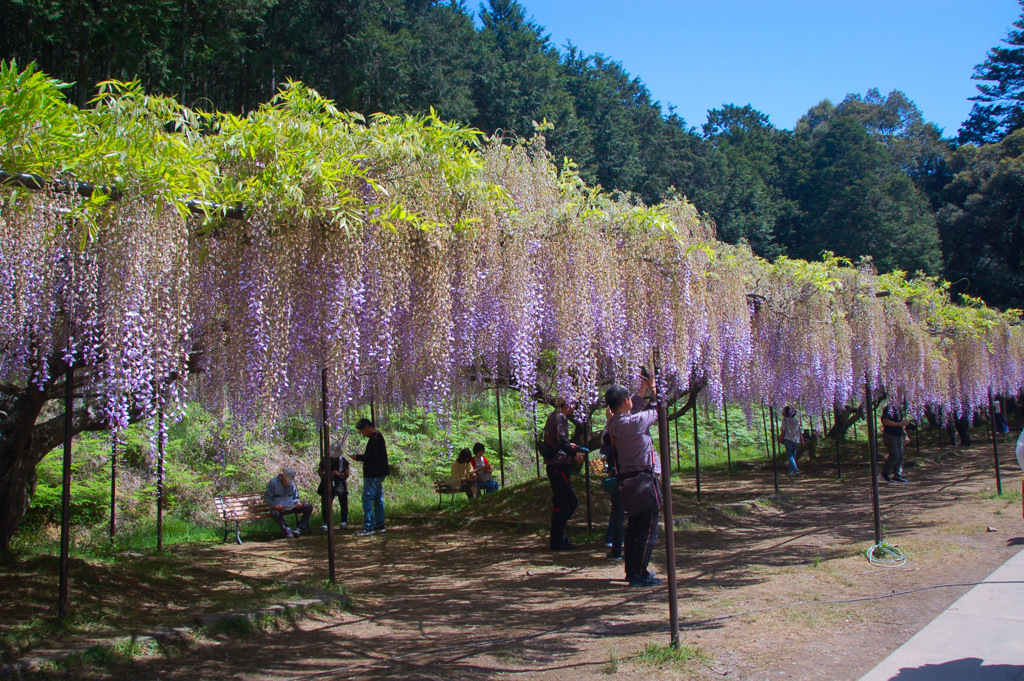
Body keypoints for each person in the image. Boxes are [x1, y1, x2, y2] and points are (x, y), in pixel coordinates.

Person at [605, 372, 662, 587]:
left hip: (627, 482)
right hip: (644, 481)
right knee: (648, 529)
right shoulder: (636, 422)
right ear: (626, 401)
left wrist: (642, 390)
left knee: (634, 529)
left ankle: (632, 572)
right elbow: (660, 410)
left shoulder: (613, 425)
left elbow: (632, 412)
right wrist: (654, 388)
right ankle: (640, 574)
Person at [543, 399, 585, 551]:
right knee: (567, 502)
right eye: (574, 405)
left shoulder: (552, 415)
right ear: (567, 403)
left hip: (554, 465)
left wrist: (569, 446)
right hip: (559, 465)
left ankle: (557, 537)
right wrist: (575, 455)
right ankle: (557, 539)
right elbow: (562, 441)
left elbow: (558, 441)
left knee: (563, 501)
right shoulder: (560, 416)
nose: (574, 409)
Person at [353, 418, 389, 536]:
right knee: (378, 499)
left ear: (367, 427)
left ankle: (368, 526)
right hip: (378, 473)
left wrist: (358, 457)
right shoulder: (377, 437)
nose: (362, 434)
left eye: (362, 430)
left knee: (367, 498)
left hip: (373, 473)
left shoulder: (375, 438)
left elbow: (371, 457)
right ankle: (380, 524)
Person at [600, 408, 624, 561]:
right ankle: (616, 544)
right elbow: (605, 448)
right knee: (619, 511)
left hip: (618, 473)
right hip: (621, 473)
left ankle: (614, 541)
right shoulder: (619, 428)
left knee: (617, 510)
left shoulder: (612, 429)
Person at [265, 467, 313, 538]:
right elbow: (268, 497)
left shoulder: (293, 484)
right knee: (275, 513)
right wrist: (274, 506)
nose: (287, 483)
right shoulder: (273, 482)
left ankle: (299, 528)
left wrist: (297, 503)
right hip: (279, 507)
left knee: (308, 507)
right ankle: (286, 530)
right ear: (283, 477)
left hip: (291, 505)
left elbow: (295, 496)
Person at [319, 442, 350, 530]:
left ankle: (343, 521)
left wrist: (339, 474)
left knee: (343, 503)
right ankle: (326, 522)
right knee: (326, 503)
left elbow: (346, 473)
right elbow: (320, 472)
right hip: (327, 483)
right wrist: (327, 474)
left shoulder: (343, 461)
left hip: (340, 483)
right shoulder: (325, 460)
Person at [880, 402, 911, 483]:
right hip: (890, 435)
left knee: (900, 456)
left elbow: (901, 424)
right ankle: (884, 473)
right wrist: (899, 424)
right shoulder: (889, 408)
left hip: (899, 435)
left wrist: (905, 435)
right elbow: (885, 421)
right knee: (894, 455)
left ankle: (897, 476)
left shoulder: (899, 409)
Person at [780, 406, 803, 476]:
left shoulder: (785, 420)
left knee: (790, 456)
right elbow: (800, 431)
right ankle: (791, 472)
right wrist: (801, 440)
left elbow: (783, 429)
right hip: (796, 440)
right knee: (793, 456)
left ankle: (796, 470)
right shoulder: (797, 420)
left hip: (788, 439)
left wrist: (781, 437)